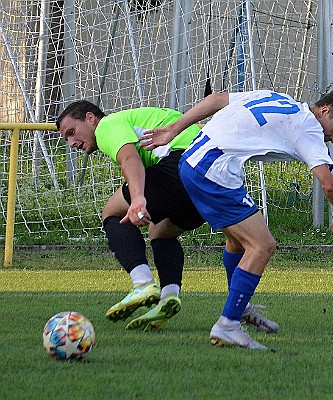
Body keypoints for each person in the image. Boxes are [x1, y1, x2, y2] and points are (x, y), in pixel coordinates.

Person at [139, 86, 333, 349]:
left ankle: (240, 307)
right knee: (263, 245)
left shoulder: (274, 97)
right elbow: (328, 184)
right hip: (214, 170)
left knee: (237, 242)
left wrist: (173, 129)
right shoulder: (308, 126)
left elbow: (216, 100)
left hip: (193, 159)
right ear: (324, 111)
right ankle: (228, 324)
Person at [56, 101, 279, 334]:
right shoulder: (140, 118)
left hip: (184, 164)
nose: (72, 143)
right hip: (212, 173)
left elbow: (130, 159)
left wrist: (138, 198)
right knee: (161, 232)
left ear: (90, 118)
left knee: (111, 212)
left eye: (72, 132)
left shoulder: (107, 125)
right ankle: (169, 296)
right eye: (66, 139)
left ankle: (142, 284)